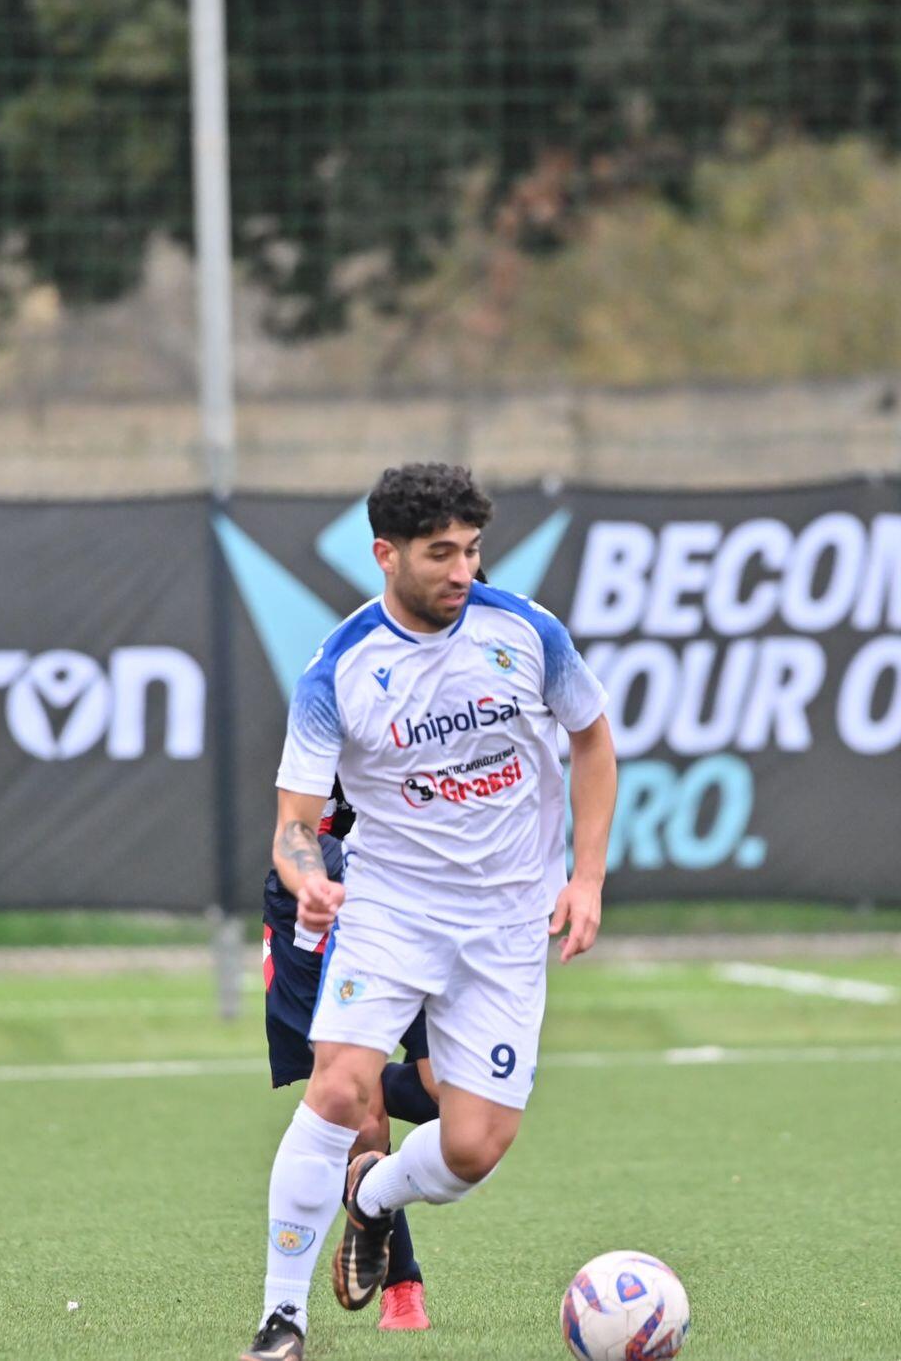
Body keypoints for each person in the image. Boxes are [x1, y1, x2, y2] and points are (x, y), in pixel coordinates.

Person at [240, 463, 619, 1361]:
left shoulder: (527, 633)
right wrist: (309, 879)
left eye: (472, 550)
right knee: (339, 1089)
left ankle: (371, 1199)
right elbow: (294, 827)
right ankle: (280, 1322)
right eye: (440, 553)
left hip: (506, 923)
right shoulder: (339, 670)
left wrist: (588, 876)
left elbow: (594, 740)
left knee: (474, 1147)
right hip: (391, 910)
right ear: (386, 554)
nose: (462, 570)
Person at [260, 778, 440, 1332]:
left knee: (455, 1101)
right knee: (358, 1119)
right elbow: (297, 823)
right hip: (320, 906)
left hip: (422, 902)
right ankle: (401, 1290)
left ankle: (367, 1085)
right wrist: (316, 879)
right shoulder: (337, 699)